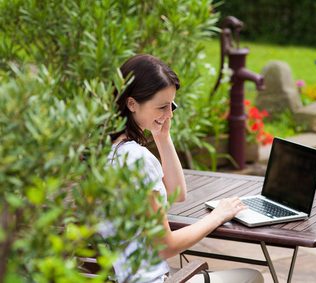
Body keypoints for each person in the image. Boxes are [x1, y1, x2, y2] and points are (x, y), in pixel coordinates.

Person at [108, 54, 264, 283]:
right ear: (132, 103)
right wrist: (218, 216)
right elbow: (165, 246)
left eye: (171, 106)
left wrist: (163, 137)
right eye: (162, 107)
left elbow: (177, 194)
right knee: (251, 277)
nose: (169, 114)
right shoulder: (136, 160)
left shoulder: (108, 150)